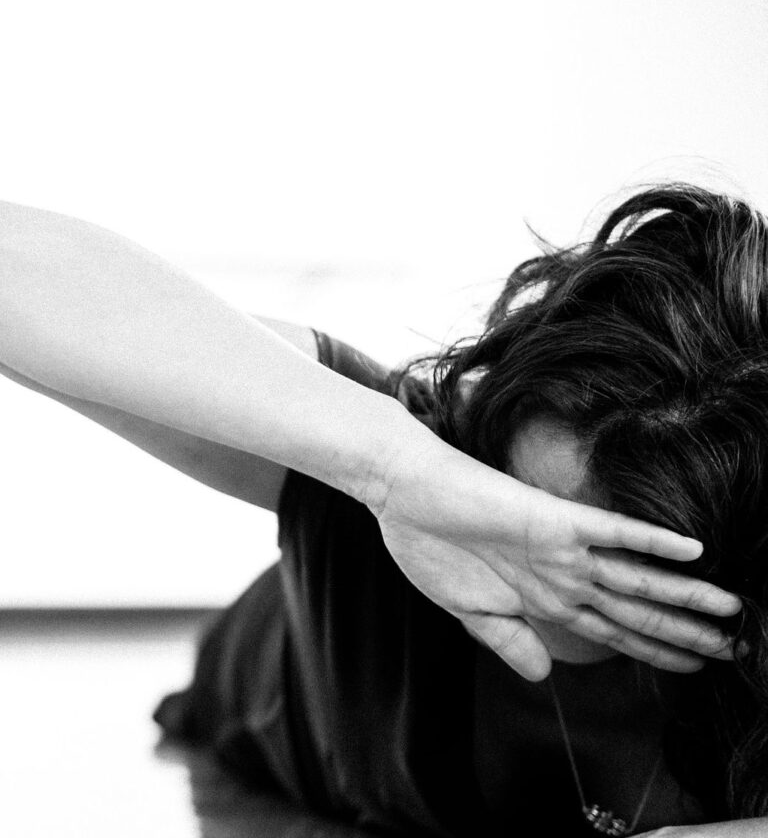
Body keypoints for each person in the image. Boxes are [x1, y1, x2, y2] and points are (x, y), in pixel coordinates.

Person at [0, 184, 762, 836]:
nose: (542, 569)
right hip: (245, 733)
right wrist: (389, 468)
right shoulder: (420, 453)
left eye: (610, 552)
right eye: (515, 499)